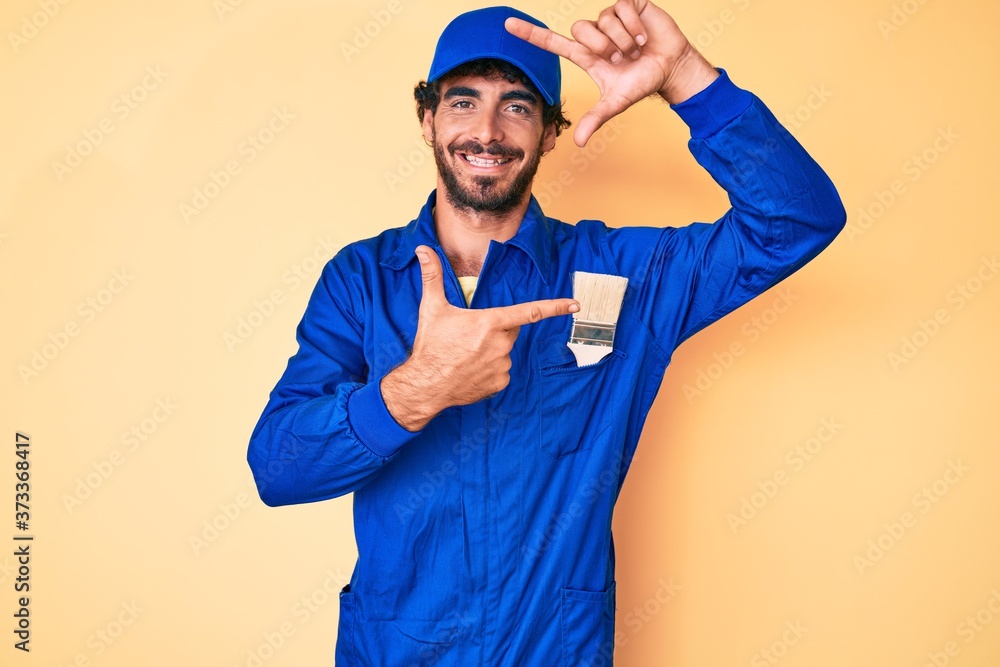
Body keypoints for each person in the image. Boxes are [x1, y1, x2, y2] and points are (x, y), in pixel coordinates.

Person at [247, 2, 846, 665]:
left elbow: (796, 220)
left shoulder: (617, 277)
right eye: (463, 102)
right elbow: (278, 468)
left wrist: (682, 75)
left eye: (519, 106)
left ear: (552, 133)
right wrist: (413, 390)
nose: (488, 129)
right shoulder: (360, 280)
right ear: (428, 119)